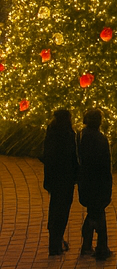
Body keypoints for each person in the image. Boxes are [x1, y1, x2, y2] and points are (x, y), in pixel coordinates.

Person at [78, 107, 113, 260]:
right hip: (98, 183)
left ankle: (94, 245)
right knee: (97, 213)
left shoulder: (82, 136)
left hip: (86, 181)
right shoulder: (100, 139)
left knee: (95, 212)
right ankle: (99, 247)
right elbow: (104, 164)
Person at [42, 108, 77, 255]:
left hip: (54, 178)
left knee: (55, 207)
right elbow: (72, 157)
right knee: (62, 211)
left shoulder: (52, 132)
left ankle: (54, 240)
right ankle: (56, 242)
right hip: (65, 179)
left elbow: (47, 155)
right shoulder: (67, 135)